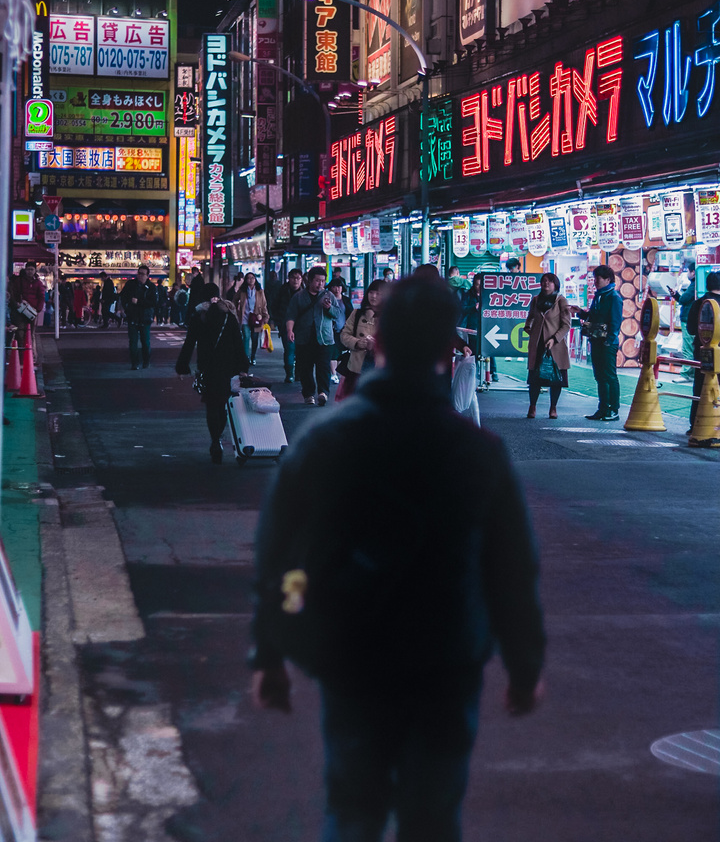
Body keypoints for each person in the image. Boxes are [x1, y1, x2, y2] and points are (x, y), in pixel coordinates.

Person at [250, 278, 545, 841]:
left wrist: (272, 649)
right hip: (446, 657)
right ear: (445, 350)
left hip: (352, 651)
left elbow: (280, 558)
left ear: (377, 342)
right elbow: (511, 569)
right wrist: (524, 666)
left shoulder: (325, 441)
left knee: (353, 810)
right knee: (432, 817)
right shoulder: (478, 452)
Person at [175, 283, 250, 463]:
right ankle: (219, 436)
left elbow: (189, 343)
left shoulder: (199, 317)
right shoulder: (228, 316)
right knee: (224, 403)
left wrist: (182, 366)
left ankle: (215, 440)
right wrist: (243, 366)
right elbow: (238, 344)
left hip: (208, 367)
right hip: (227, 367)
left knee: (211, 405)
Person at [285, 266, 344, 406]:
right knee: (305, 367)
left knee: (323, 366)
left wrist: (329, 308)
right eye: (317, 281)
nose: (320, 284)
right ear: (310, 280)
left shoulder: (329, 296)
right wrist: (289, 330)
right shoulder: (299, 297)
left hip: (324, 338)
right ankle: (309, 394)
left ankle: (323, 392)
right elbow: (291, 315)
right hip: (304, 338)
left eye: (323, 281)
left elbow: (338, 314)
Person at [572, 264, 623, 422]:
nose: (595, 281)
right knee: (599, 376)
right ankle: (602, 408)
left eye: (597, 278)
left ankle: (613, 409)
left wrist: (609, 340)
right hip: (596, 340)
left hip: (607, 343)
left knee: (609, 376)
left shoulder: (614, 297)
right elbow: (593, 316)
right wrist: (580, 312)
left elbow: (616, 322)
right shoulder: (599, 296)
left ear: (607, 279)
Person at [524, 273, 572, 419]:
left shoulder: (561, 301)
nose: (546, 284)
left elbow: (566, 325)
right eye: (544, 281)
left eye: (550, 281)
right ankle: (532, 407)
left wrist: (554, 339)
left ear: (555, 284)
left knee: (555, 379)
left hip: (555, 346)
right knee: (535, 377)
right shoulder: (536, 300)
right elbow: (530, 318)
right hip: (538, 344)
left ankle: (553, 408)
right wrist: (529, 329)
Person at [686, 271, 720, 435]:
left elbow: (691, 329)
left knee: (699, 387)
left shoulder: (698, 303)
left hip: (701, 352)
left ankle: (695, 425)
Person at [337, 279, 383, 399]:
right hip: (356, 366)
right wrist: (357, 343)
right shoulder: (357, 313)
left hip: (379, 367)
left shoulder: (390, 316)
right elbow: (344, 335)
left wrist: (376, 345)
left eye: (378, 294)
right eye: (371, 292)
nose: (373, 296)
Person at [119, 265, 158, 370]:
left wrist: (139, 302)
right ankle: (134, 363)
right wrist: (126, 307)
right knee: (133, 342)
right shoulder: (131, 284)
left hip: (145, 318)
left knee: (145, 341)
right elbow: (123, 296)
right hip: (132, 316)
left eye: (142, 274)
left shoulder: (151, 287)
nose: (140, 276)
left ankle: (146, 361)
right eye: (139, 273)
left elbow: (153, 302)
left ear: (148, 275)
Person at [8, 260, 45, 355]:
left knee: (31, 334)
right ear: (25, 270)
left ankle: (31, 354)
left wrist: (37, 309)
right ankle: (22, 354)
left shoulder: (38, 283)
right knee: (20, 333)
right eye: (28, 269)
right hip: (20, 311)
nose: (29, 271)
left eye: (31, 269)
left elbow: (41, 297)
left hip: (32, 311)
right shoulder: (19, 281)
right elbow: (13, 294)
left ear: (35, 270)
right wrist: (16, 304)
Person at [667, 262, 696, 381]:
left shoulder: (693, 285)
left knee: (687, 347)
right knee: (692, 346)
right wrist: (676, 295)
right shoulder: (696, 285)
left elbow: (684, 299)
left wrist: (679, 296)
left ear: (693, 272)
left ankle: (685, 374)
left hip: (688, 320)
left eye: (688, 272)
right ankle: (693, 373)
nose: (688, 274)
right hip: (693, 320)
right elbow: (683, 300)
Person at [273, 269, 303, 383]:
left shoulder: (304, 293)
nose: (295, 280)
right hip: (285, 326)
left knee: (300, 351)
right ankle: (289, 373)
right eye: (293, 278)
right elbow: (275, 306)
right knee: (289, 350)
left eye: (298, 278)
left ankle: (298, 373)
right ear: (289, 279)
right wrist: (279, 321)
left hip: (301, 327)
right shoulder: (282, 291)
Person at [236, 272, 269, 367]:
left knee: (255, 339)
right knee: (246, 337)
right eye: (248, 278)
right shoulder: (242, 291)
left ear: (255, 279)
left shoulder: (260, 291)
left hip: (256, 317)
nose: (250, 280)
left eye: (252, 278)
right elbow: (234, 299)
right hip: (245, 317)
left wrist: (265, 315)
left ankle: (253, 357)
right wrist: (236, 311)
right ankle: (245, 358)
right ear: (246, 280)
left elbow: (264, 304)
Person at [328, 277, 354, 384]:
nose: (337, 289)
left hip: (344, 329)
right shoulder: (327, 299)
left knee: (341, 352)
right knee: (333, 352)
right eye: (334, 286)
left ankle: (336, 372)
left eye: (339, 286)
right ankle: (333, 374)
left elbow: (351, 314)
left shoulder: (346, 300)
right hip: (331, 330)